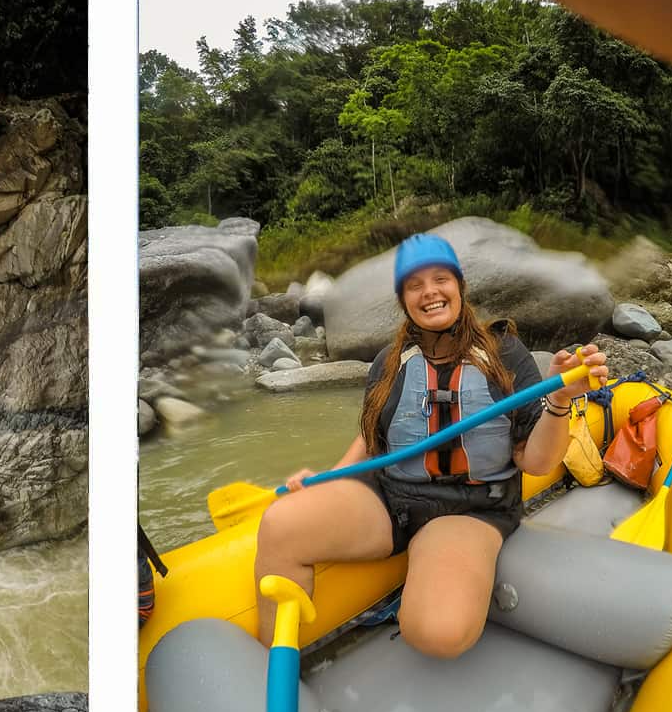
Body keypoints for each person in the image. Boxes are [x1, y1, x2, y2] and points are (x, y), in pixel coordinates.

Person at [253, 233, 609, 653]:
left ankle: (430, 581)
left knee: (438, 634)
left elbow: (536, 461)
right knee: (281, 524)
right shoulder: (390, 361)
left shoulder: (505, 353)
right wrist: (329, 480)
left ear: (459, 287)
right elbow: (372, 438)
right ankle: (273, 662)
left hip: (470, 508)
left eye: (441, 279)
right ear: (404, 299)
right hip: (389, 500)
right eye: (415, 285)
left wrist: (560, 400)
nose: (430, 292)